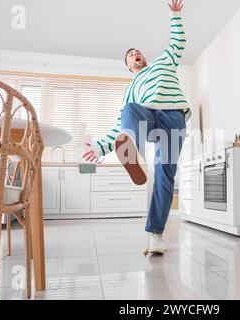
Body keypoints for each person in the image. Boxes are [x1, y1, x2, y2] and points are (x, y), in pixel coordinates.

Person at [83, 0, 191, 254]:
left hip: (174, 120)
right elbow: (120, 126)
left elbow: (178, 43)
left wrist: (174, 15)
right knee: (130, 111)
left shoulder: (163, 62)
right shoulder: (131, 89)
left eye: (137, 52)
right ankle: (133, 151)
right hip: (148, 119)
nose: (135, 55)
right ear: (129, 66)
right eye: (130, 55)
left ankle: (156, 236)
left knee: (165, 176)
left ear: (144, 58)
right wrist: (100, 146)